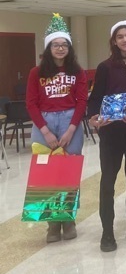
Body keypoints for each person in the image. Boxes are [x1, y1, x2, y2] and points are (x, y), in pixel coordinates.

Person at [88, 20, 126, 252]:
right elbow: (96, 97)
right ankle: (107, 232)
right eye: (120, 36)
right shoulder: (105, 67)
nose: (125, 39)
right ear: (114, 41)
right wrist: (94, 116)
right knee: (108, 182)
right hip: (111, 132)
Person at [26, 14, 88, 244]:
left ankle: (68, 219)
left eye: (64, 45)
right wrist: (45, 131)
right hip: (44, 122)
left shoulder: (77, 71)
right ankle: (52, 224)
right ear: (48, 47)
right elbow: (31, 103)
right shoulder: (36, 72)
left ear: (69, 48)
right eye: (56, 45)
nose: (60, 48)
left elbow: (82, 101)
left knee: (68, 173)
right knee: (47, 175)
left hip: (70, 120)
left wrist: (72, 129)